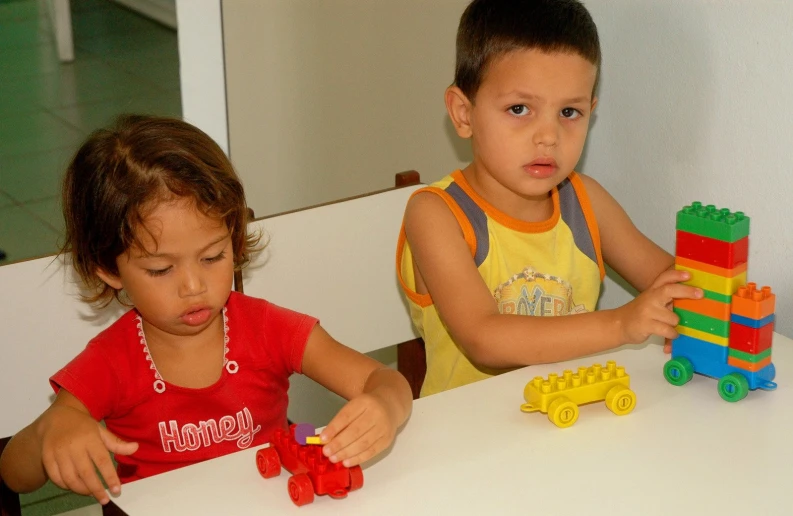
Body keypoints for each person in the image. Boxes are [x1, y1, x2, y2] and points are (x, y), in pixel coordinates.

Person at [0, 115, 412, 504]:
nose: (194, 287)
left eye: (213, 257)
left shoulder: (268, 329)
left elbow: (382, 380)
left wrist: (385, 407)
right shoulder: (112, 361)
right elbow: (14, 475)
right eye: (161, 269)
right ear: (109, 268)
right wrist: (49, 432)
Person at [396, 0, 702, 397]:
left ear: (591, 111)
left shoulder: (586, 201)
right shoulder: (436, 214)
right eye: (520, 108)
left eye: (569, 113)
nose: (549, 136)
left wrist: (722, 291)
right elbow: (484, 339)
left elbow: (673, 281)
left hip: (574, 420)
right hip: (468, 442)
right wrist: (621, 324)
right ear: (464, 114)